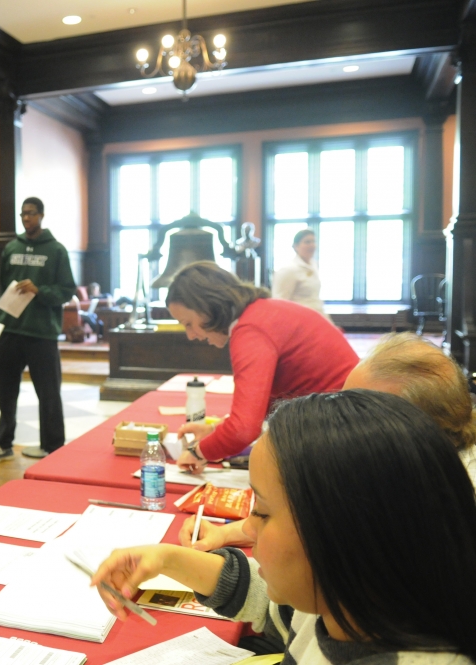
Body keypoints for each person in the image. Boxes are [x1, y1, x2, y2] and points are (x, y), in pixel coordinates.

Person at [94, 391, 476, 664]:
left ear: (335, 528)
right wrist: (166, 559)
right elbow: (268, 600)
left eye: (260, 510)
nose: (247, 526)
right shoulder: (343, 602)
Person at [182, 332, 476, 551]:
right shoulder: (414, 460)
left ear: (413, 428)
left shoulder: (443, 509)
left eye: (359, 412)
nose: (342, 420)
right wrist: (226, 534)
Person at [169, 262, 358, 471]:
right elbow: (261, 408)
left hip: (342, 433)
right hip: (349, 417)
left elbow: (244, 429)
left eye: (188, 323)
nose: (191, 335)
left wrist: (198, 452)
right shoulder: (263, 311)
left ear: (207, 308)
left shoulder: (251, 329)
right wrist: (214, 430)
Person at [0, 197, 77, 463]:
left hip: (42, 333)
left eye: (31, 214)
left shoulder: (56, 250)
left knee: (48, 393)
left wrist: (40, 291)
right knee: (6, 391)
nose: (26, 218)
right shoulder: (12, 248)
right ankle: (3, 445)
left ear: (42, 215)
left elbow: (67, 290)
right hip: (11, 331)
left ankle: (52, 447)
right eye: (23, 214)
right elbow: (4, 283)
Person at [272, 228, 331, 321]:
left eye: (313, 241)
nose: (312, 245)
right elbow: (280, 303)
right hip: (300, 322)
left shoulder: (314, 265)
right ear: (296, 246)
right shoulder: (288, 270)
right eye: (307, 242)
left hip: (318, 319)